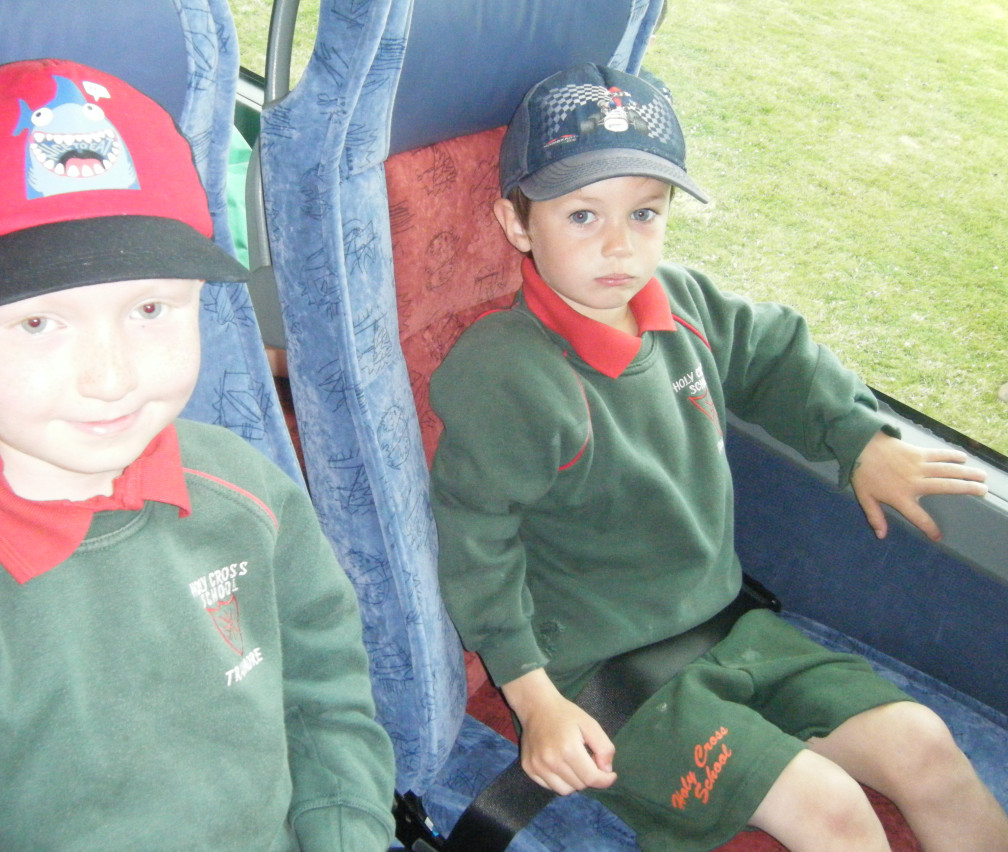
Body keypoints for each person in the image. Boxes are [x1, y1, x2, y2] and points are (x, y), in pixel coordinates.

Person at [0, 59, 395, 850]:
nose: (111, 377)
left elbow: (326, 692)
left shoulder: (246, 490)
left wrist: (345, 832)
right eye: (38, 324)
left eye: (150, 308)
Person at [429, 62, 1008, 852]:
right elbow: (475, 546)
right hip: (604, 675)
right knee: (832, 810)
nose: (619, 246)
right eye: (583, 215)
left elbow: (775, 354)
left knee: (924, 744)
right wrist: (535, 702)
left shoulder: (683, 305)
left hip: (729, 628)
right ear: (517, 222)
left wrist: (858, 439)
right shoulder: (507, 373)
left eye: (644, 214)